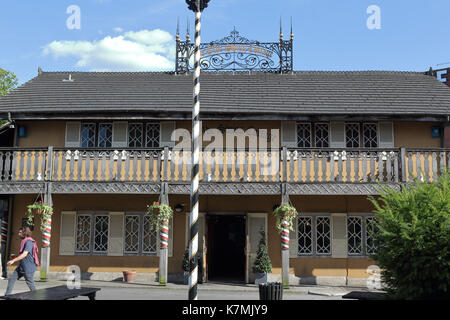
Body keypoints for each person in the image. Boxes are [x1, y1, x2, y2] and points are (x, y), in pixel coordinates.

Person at [4, 227, 39, 295]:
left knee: (31, 285)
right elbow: (23, 255)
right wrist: (16, 256)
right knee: (11, 279)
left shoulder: (29, 242)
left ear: (25, 233)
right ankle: (7, 296)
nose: (18, 234)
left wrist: (13, 260)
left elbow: (24, 254)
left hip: (28, 268)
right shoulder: (24, 241)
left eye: (20, 232)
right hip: (21, 267)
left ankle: (36, 297)